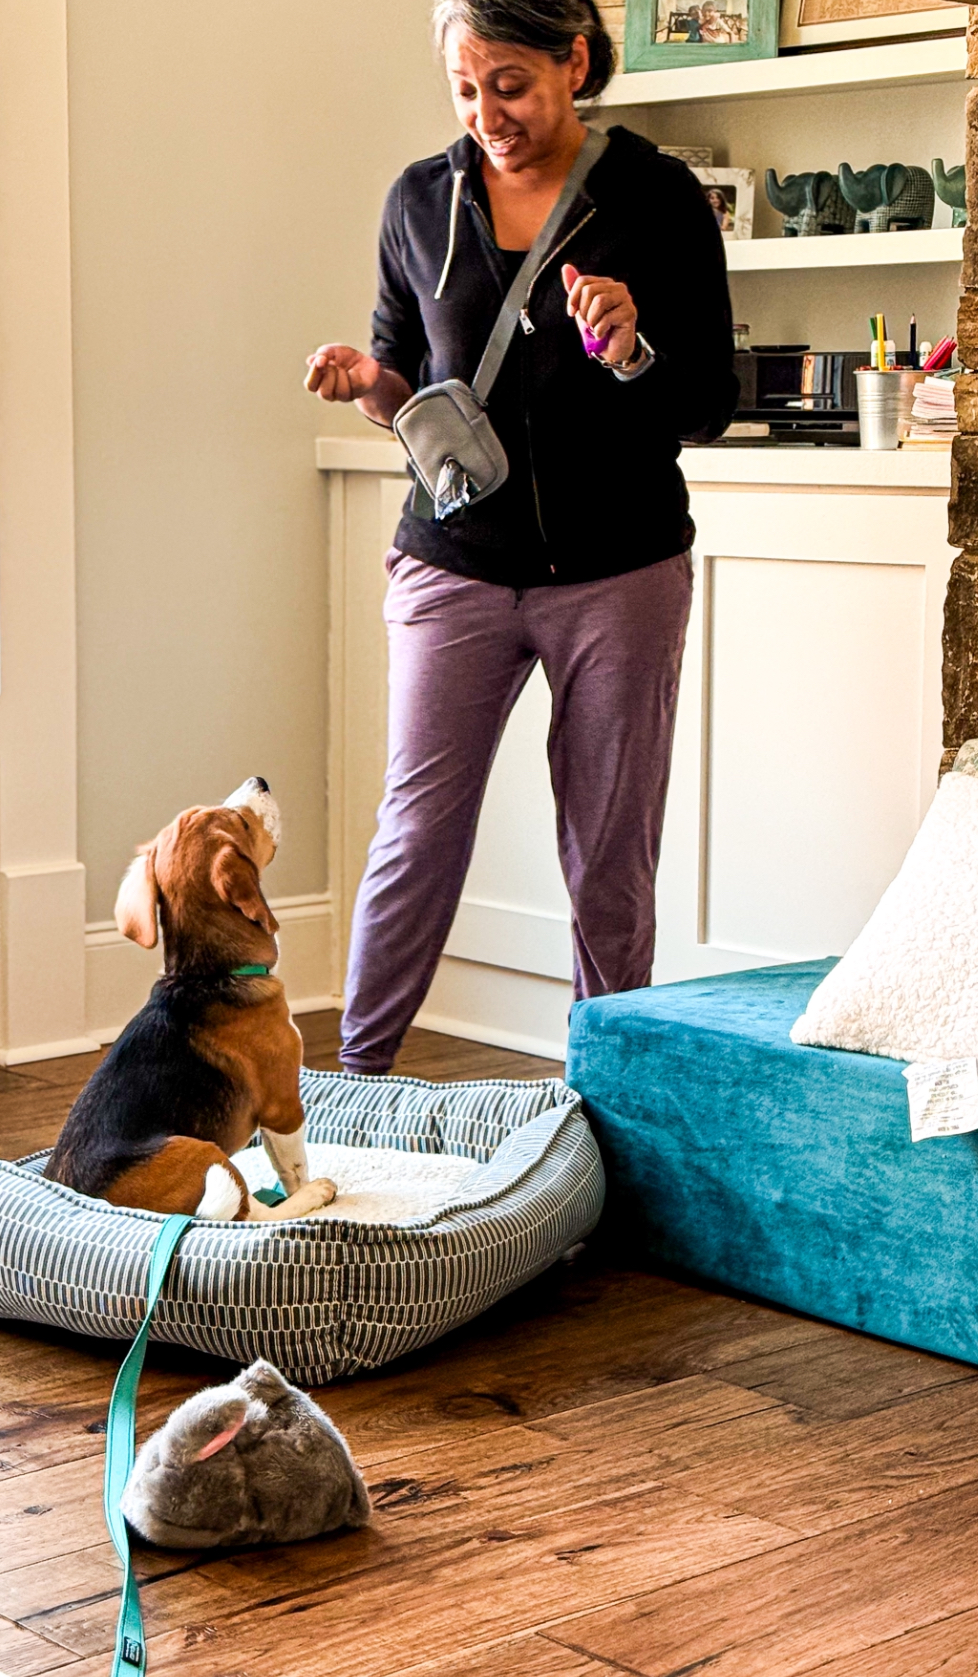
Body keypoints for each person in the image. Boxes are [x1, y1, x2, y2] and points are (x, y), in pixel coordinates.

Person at [305, 0, 738, 1075]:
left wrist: (634, 347)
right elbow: (403, 368)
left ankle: (612, 1104)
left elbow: (709, 405)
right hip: (454, 560)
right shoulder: (419, 198)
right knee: (418, 832)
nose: (487, 113)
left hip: (621, 568)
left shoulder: (655, 196)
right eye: (465, 88)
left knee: (609, 850)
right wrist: (369, 385)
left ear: (574, 62)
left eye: (511, 85)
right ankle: (356, 1086)